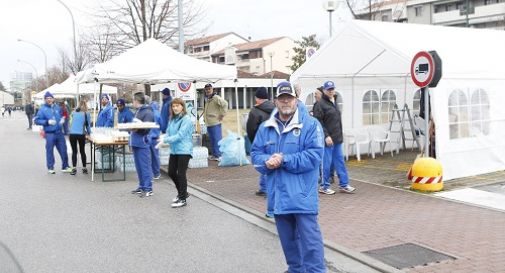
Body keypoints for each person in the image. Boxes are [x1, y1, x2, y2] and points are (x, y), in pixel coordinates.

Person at [251, 81, 326, 273]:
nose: (286, 102)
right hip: (278, 198)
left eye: (289, 98)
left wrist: (284, 159)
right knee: (289, 244)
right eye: (282, 98)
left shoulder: (310, 125)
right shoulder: (266, 127)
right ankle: (295, 270)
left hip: (303, 198)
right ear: (276, 101)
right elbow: (256, 155)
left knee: (311, 244)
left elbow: (314, 156)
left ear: (296, 100)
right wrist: (267, 162)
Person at [313, 80, 356, 194]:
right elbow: (318, 122)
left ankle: (344, 184)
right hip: (327, 140)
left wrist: (340, 136)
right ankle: (324, 186)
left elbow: (336, 121)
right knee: (326, 164)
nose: (331, 91)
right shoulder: (320, 104)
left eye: (332, 89)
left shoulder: (334, 101)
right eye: (328, 89)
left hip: (337, 139)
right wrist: (326, 136)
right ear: (324, 91)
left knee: (340, 162)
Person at [160, 98, 194, 208]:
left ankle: (182, 198)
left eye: (177, 106)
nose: (175, 108)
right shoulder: (172, 119)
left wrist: (165, 140)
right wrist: (161, 138)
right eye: (173, 106)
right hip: (174, 150)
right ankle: (182, 193)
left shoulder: (186, 119)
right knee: (171, 172)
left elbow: (180, 135)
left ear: (182, 107)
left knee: (181, 173)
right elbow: (168, 133)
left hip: (184, 150)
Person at [34, 91, 73, 174]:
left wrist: (62, 120)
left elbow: (62, 115)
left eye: (50, 98)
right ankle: (50, 167)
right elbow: (36, 120)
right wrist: (47, 122)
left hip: (59, 133)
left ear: (53, 99)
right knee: (49, 151)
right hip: (50, 133)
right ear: (45, 99)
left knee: (63, 149)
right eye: (47, 98)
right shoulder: (42, 109)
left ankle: (65, 166)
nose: (49, 100)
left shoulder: (57, 107)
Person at [246, 87, 275, 197]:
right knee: (272, 162)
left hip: (261, 141)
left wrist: (254, 142)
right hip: (275, 140)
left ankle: (266, 188)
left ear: (257, 98)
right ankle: (265, 187)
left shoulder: (255, 111)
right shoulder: (275, 108)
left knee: (264, 163)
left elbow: (251, 129)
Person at [130, 92, 155, 198]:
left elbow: (147, 128)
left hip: (142, 142)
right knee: (139, 167)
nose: (132, 102)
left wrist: (136, 128)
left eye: (133, 100)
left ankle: (148, 188)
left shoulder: (148, 112)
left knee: (144, 166)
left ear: (136, 101)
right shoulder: (139, 111)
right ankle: (142, 186)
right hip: (136, 142)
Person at [203, 83, 228, 161]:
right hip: (209, 123)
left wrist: (222, 114)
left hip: (215, 122)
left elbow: (225, 104)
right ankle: (214, 155)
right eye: (206, 89)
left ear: (212, 89)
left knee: (217, 139)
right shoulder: (208, 98)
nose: (208, 90)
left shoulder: (216, 98)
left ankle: (219, 155)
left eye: (209, 89)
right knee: (212, 140)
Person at [69, 100, 92, 175]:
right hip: (81, 134)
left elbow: (70, 122)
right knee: (82, 151)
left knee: (74, 151)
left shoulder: (73, 112)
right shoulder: (86, 113)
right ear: (86, 105)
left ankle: (74, 169)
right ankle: (84, 168)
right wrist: (89, 133)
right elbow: (88, 125)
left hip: (72, 134)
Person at [148, 98, 162, 180]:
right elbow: (162, 125)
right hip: (155, 138)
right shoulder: (158, 114)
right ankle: (156, 173)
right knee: (155, 156)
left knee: (147, 156)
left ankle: (149, 174)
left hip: (147, 138)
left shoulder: (148, 114)